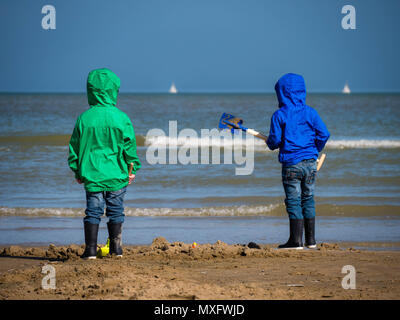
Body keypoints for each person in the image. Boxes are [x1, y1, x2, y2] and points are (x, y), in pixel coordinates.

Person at [68, 68, 141, 259]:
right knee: (116, 210)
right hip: (117, 173)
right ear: (113, 91)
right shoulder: (121, 117)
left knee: (93, 211)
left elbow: (74, 147)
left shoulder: (84, 118)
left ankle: (90, 250)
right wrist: (132, 168)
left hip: (92, 173)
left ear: (90, 91)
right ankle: (116, 250)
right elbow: (129, 147)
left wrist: (77, 170)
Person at [266, 73, 330, 249]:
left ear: (281, 93)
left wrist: (271, 142)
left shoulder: (280, 115)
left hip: (291, 164)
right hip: (311, 163)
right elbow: (324, 134)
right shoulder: (311, 113)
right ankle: (311, 241)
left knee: (294, 200)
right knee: (308, 198)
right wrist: (314, 149)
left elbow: (274, 142)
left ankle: (295, 241)